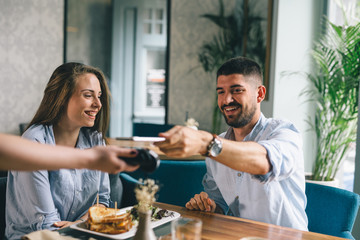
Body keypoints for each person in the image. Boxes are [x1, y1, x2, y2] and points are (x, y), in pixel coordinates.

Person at [155, 57, 308, 231]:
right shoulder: (217, 147)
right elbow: (218, 204)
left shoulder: (285, 133)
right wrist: (209, 207)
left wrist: (206, 143)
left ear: (260, 94)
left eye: (237, 90)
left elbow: (264, 161)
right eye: (221, 92)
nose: (226, 100)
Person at [5, 62, 121, 239]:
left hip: (81, 234)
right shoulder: (35, 141)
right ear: (62, 97)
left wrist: (78, 224)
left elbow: (103, 201)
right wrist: (84, 225)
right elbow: (48, 225)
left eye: (99, 96)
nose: (98, 104)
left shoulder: (95, 140)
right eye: (88, 95)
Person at [0, 133, 139, 173]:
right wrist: (93, 158)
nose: (98, 104)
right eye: (88, 95)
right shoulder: (35, 137)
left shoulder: (94, 137)